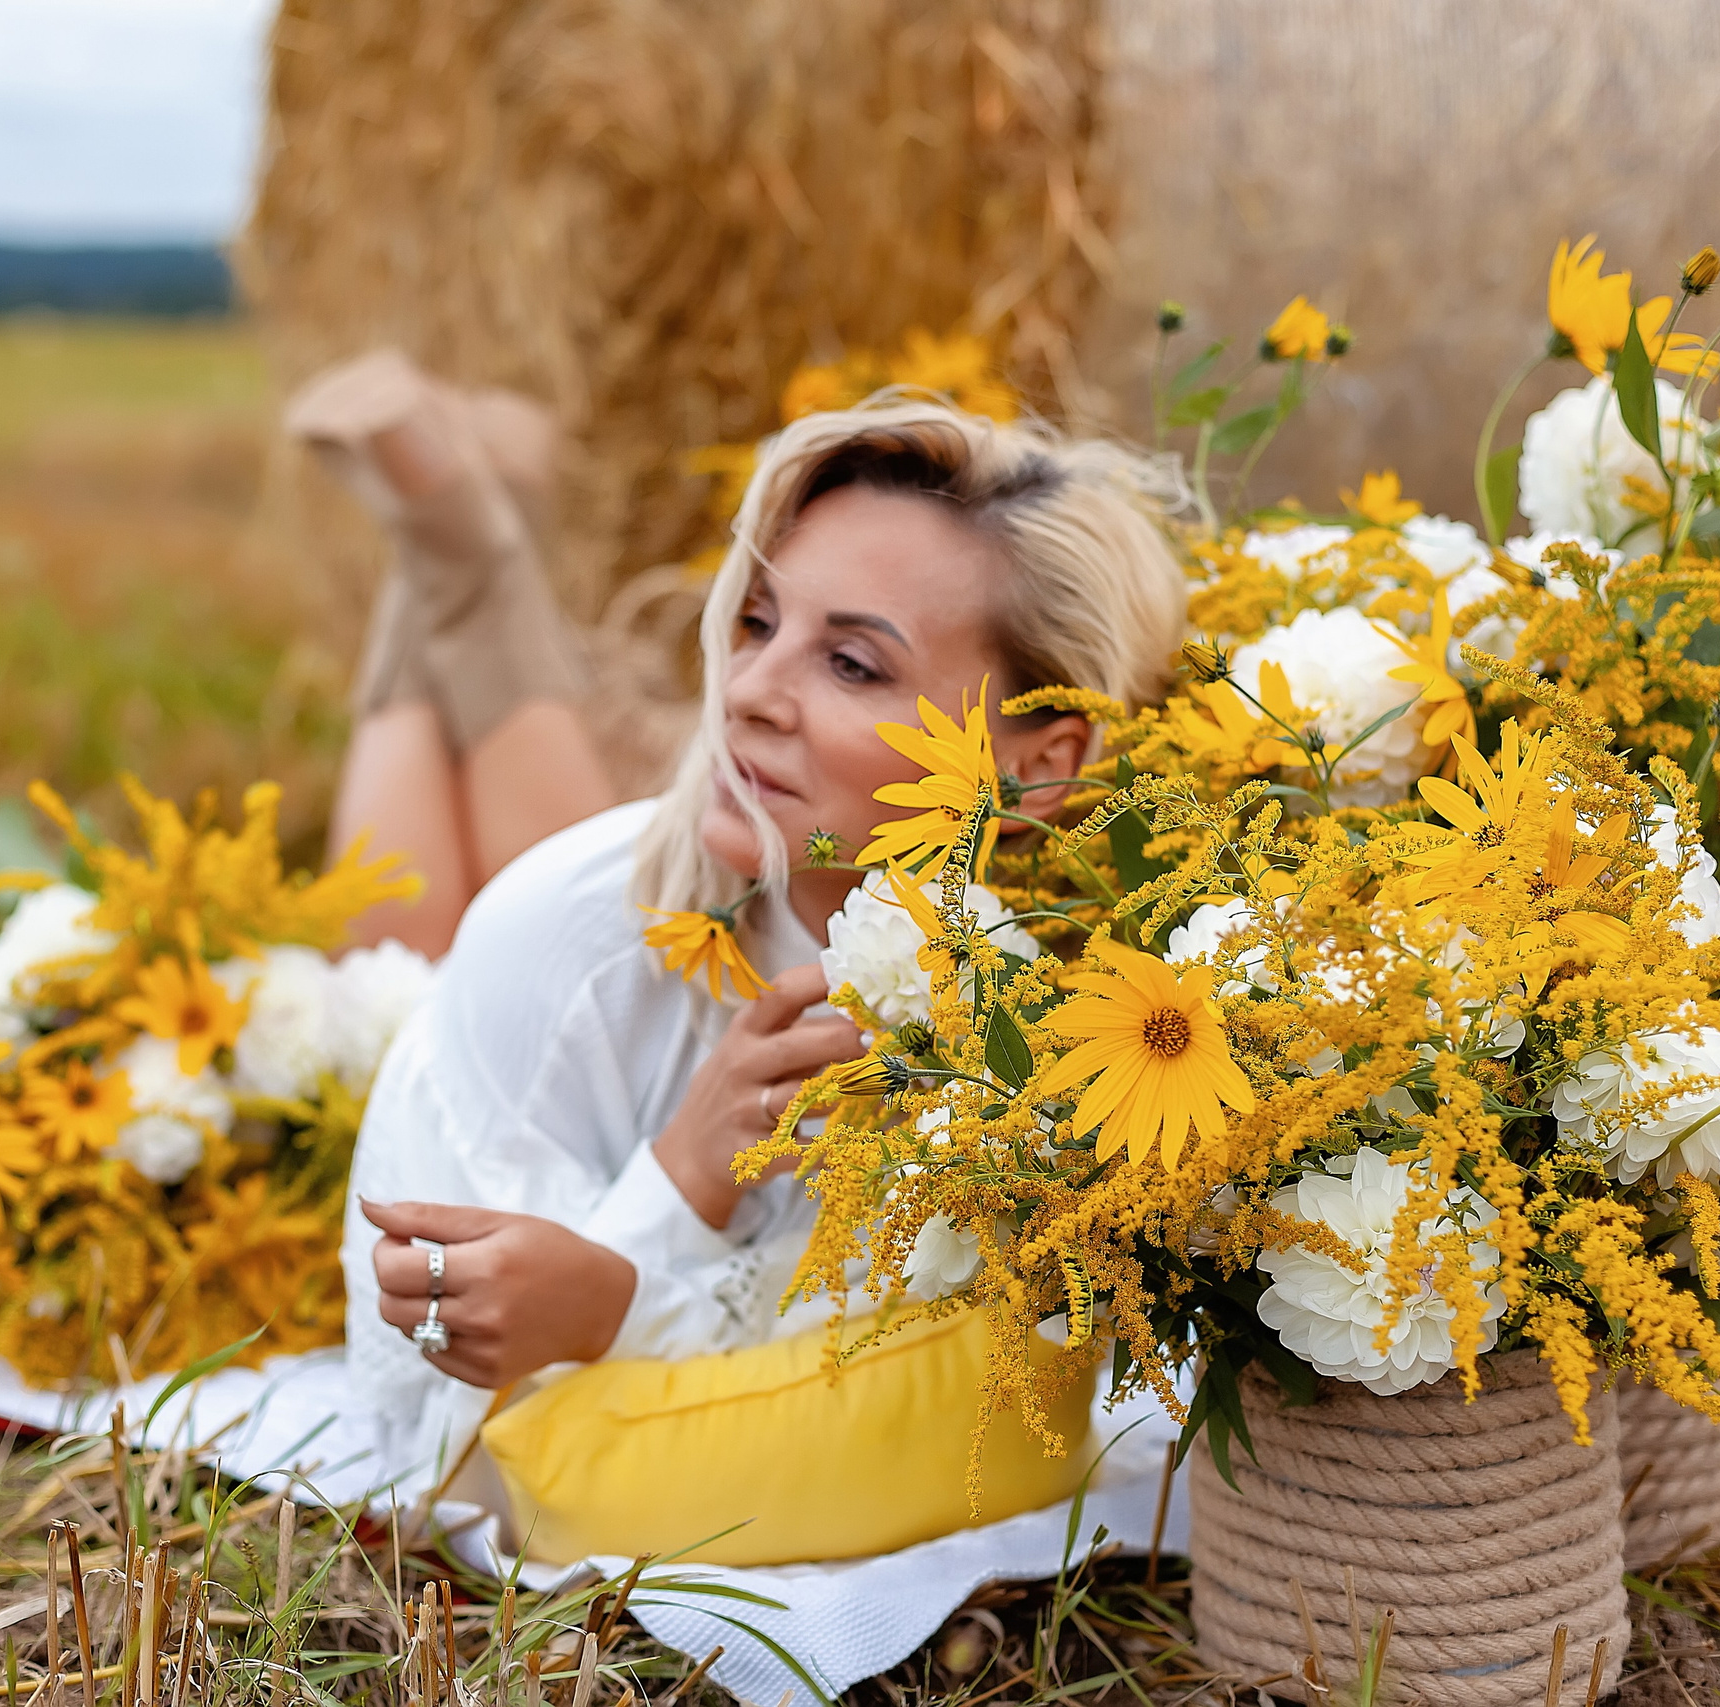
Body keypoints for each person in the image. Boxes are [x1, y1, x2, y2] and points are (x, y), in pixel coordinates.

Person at [289, 351, 1190, 1494]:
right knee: (383, 960)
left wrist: (619, 1283)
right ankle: (460, 552)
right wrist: (679, 1182)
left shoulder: (1108, 1014)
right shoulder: (564, 937)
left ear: (1040, 768)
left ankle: (463, 550)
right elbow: (429, 1430)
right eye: (754, 620)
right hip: (498, 991)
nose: (746, 687)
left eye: (852, 662)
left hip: (694, 886)